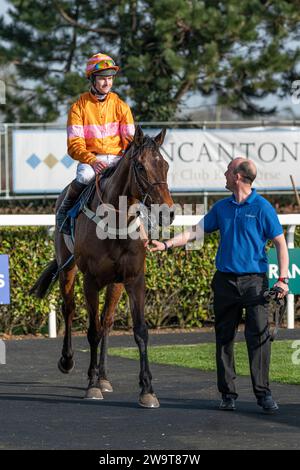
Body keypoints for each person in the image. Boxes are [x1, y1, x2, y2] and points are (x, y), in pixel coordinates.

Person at [150, 157, 289, 413]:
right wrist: (167, 244)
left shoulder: (262, 207)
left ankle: (263, 394)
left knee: (258, 339)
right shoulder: (222, 207)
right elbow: (195, 231)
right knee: (223, 339)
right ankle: (227, 395)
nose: (224, 174)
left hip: (254, 283)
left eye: (228, 171)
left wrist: (282, 279)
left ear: (237, 176)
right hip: (225, 282)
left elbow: (280, 243)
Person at [56, 52, 135, 235]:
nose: (107, 83)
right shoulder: (78, 107)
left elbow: (130, 140)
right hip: (91, 160)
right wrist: (91, 160)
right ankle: (64, 213)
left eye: (110, 78)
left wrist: (125, 160)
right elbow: (74, 144)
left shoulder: (122, 106)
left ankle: (147, 219)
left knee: (136, 178)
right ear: (92, 79)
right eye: (102, 79)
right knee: (83, 178)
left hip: (117, 158)